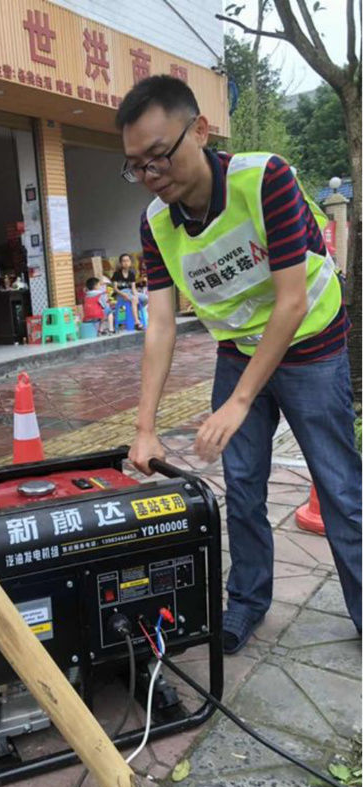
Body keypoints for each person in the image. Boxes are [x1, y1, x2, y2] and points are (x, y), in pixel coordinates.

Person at [117, 75, 361, 652]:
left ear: (200, 130)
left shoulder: (263, 177)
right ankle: (247, 602)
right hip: (240, 350)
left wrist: (239, 401)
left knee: (341, 488)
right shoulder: (156, 224)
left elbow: (291, 300)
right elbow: (158, 324)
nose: (152, 176)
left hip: (312, 345)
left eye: (160, 157)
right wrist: (145, 427)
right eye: (137, 167)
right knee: (242, 487)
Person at [111, 253, 143, 330]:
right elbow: (115, 288)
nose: (126, 263)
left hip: (129, 292)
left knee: (144, 298)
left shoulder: (132, 274)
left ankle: (135, 314)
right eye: (124, 261)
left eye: (128, 261)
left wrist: (136, 295)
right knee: (133, 299)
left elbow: (133, 288)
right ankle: (137, 322)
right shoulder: (117, 274)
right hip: (120, 294)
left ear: (130, 262)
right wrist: (123, 295)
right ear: (121, 263)